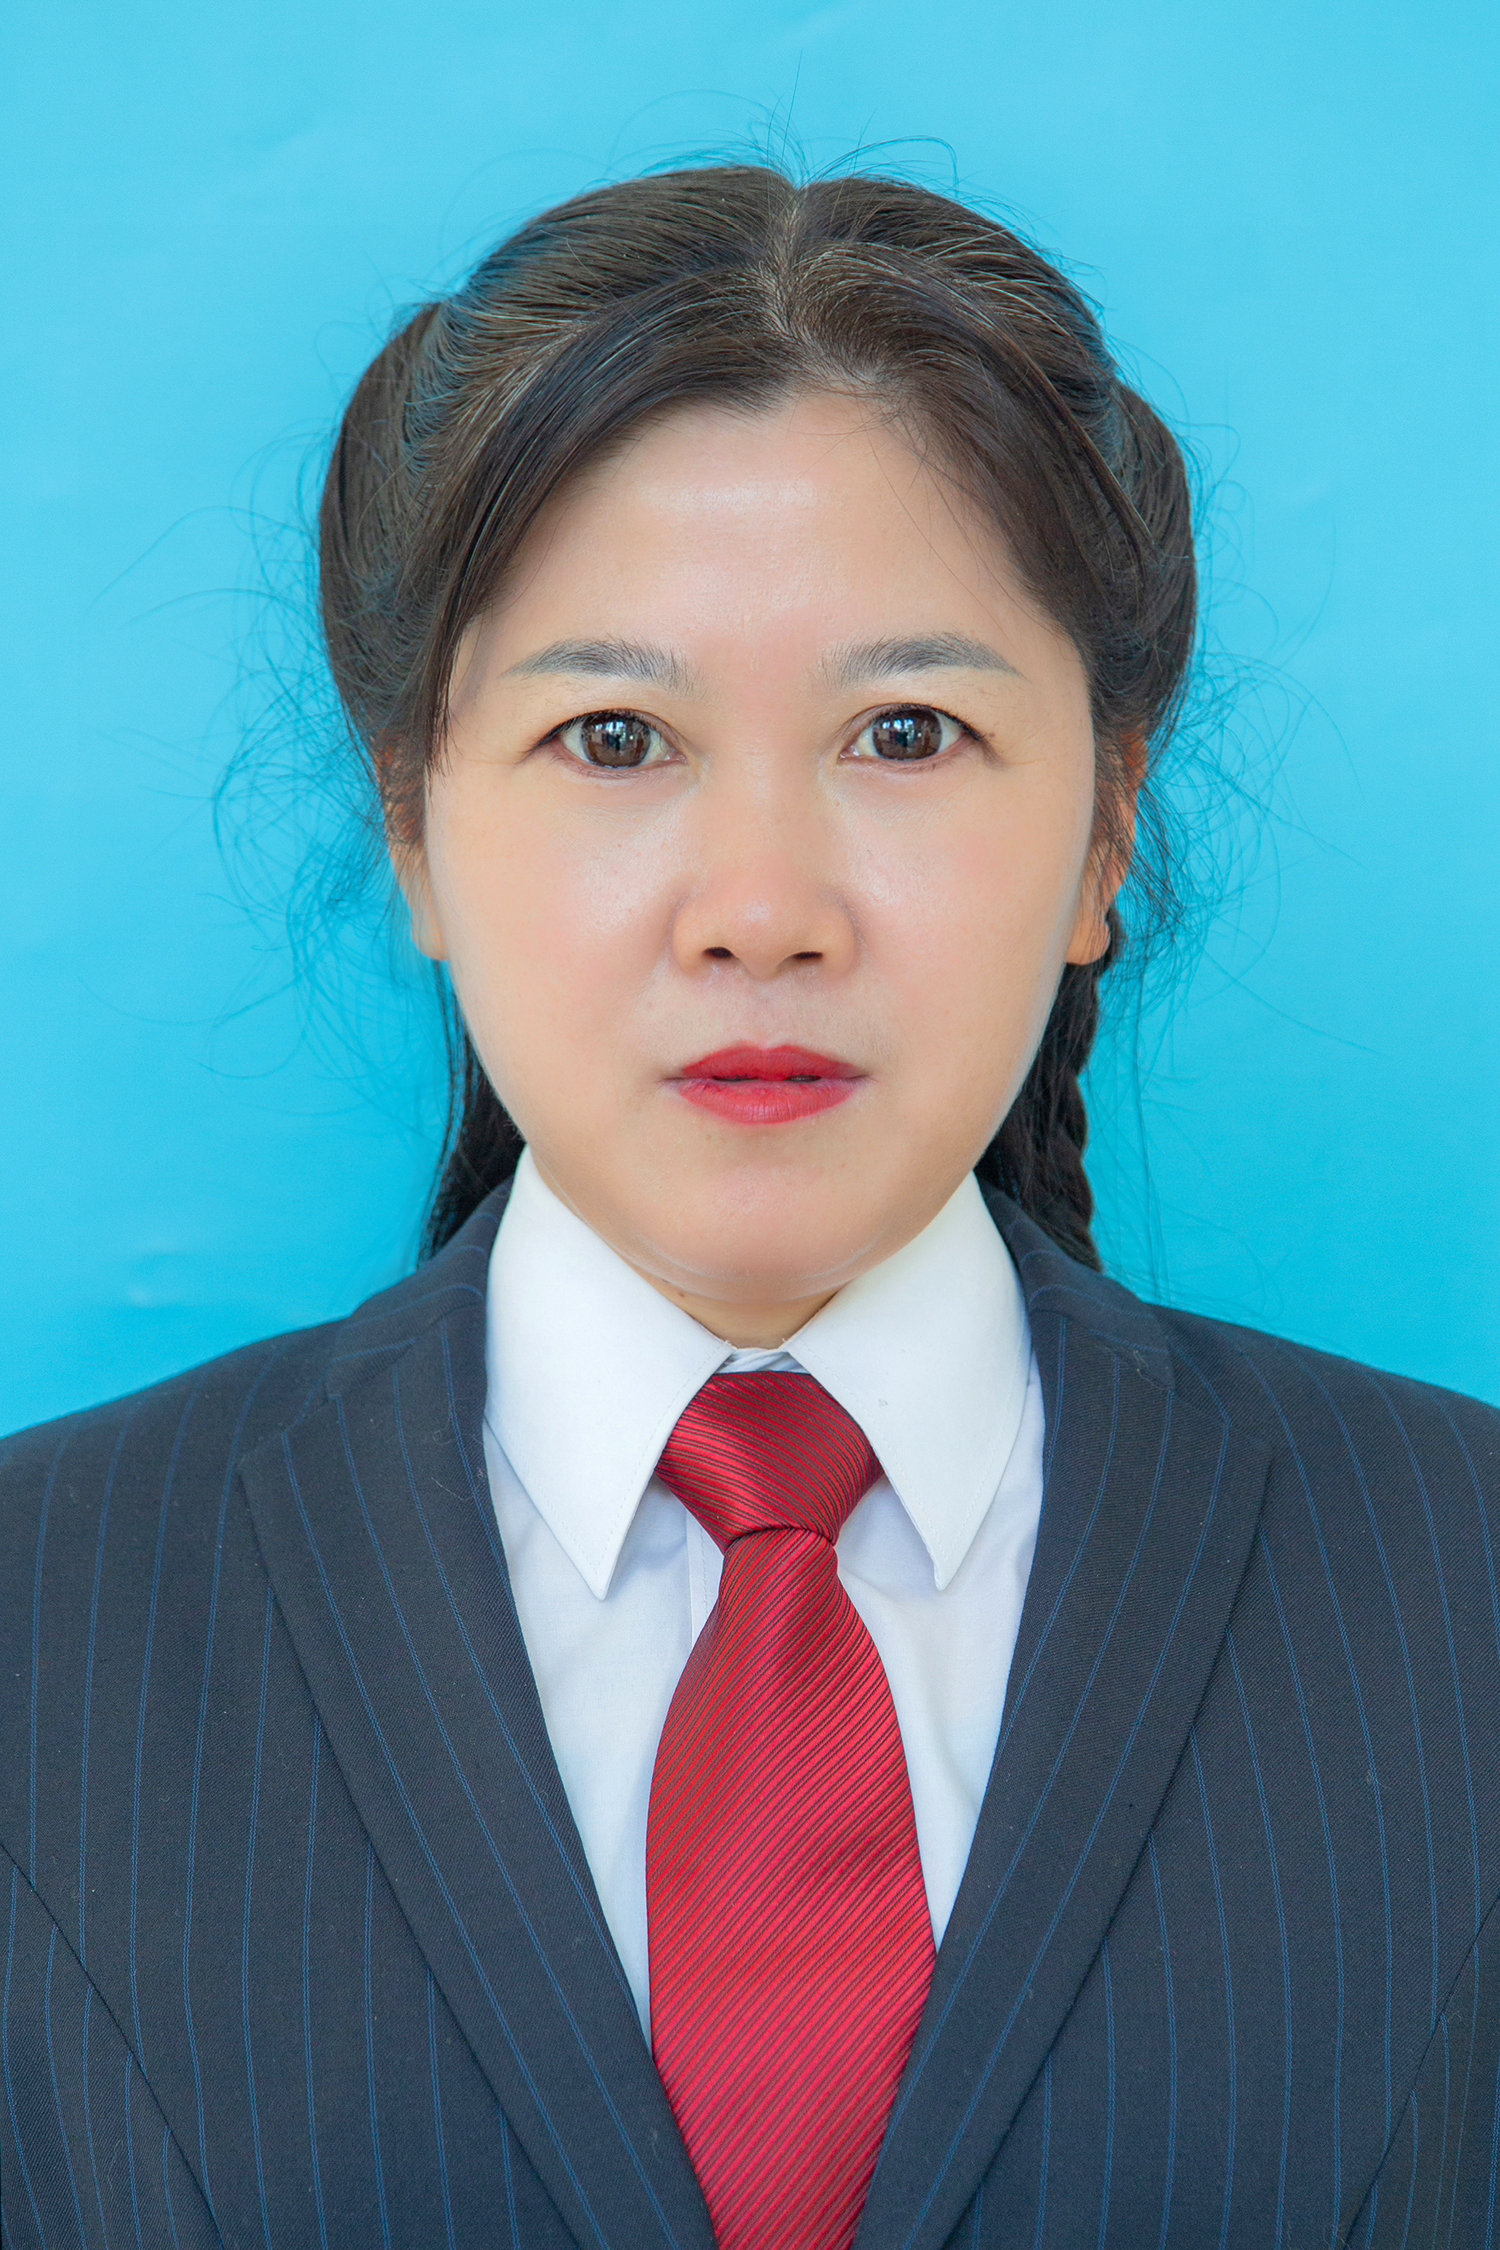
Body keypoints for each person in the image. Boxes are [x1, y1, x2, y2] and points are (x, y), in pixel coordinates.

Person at [1, 164, 1495, 2250]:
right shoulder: (41, 1614)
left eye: (910, 732)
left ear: (1106, 827)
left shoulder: (1459, 1585)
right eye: (614, 736)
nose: (765, 911)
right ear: (414, 828)